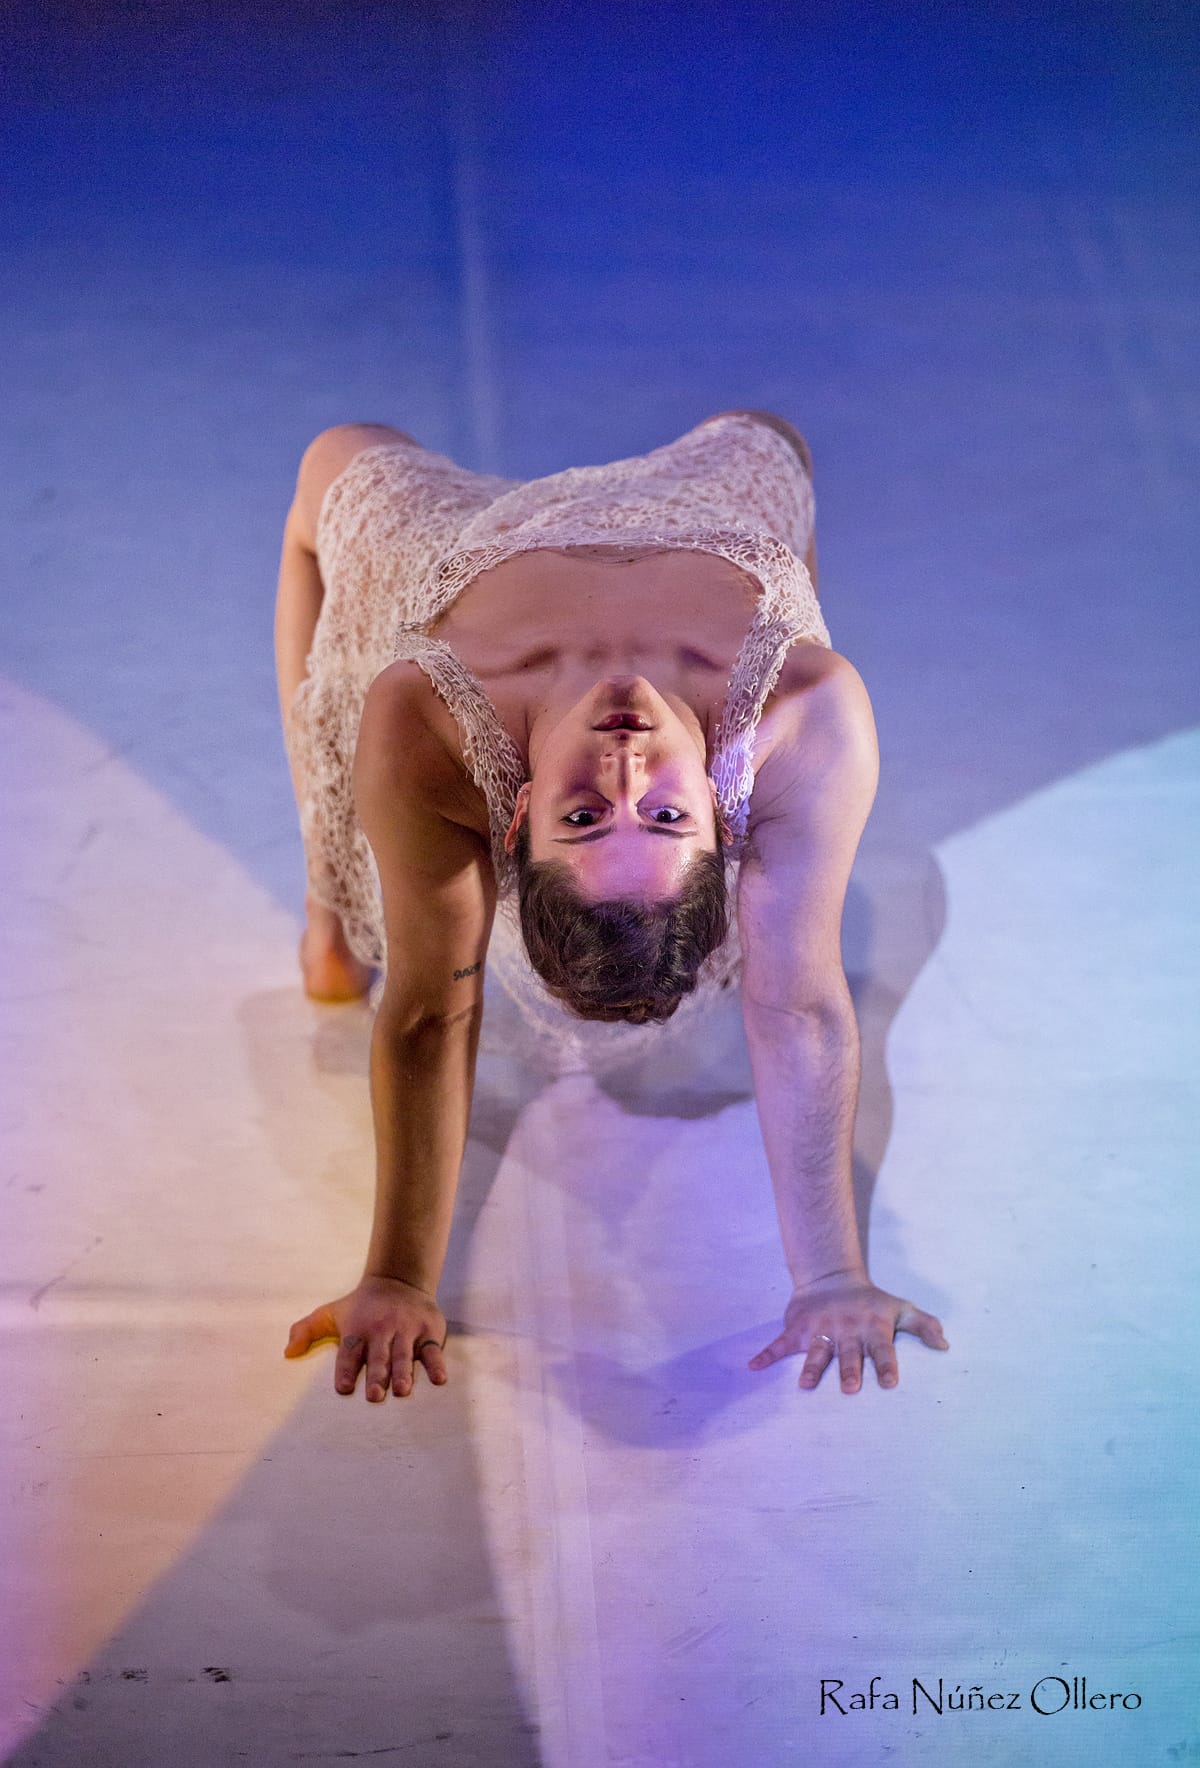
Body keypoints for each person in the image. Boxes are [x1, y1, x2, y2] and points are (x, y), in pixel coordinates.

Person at [276, 410, 949, 1402]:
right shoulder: (800, 706)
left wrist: (397, 1275)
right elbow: (799, 1003)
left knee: (331, 458)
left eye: (586, 816)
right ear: (726, 816)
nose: (626, 761)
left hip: (455, 547)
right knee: (775, 437)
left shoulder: (430, 713)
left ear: (514, 821)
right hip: (705, 515)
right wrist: (833, 1277)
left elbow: (431, 1007)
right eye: (667, 813)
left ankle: (325, 916)